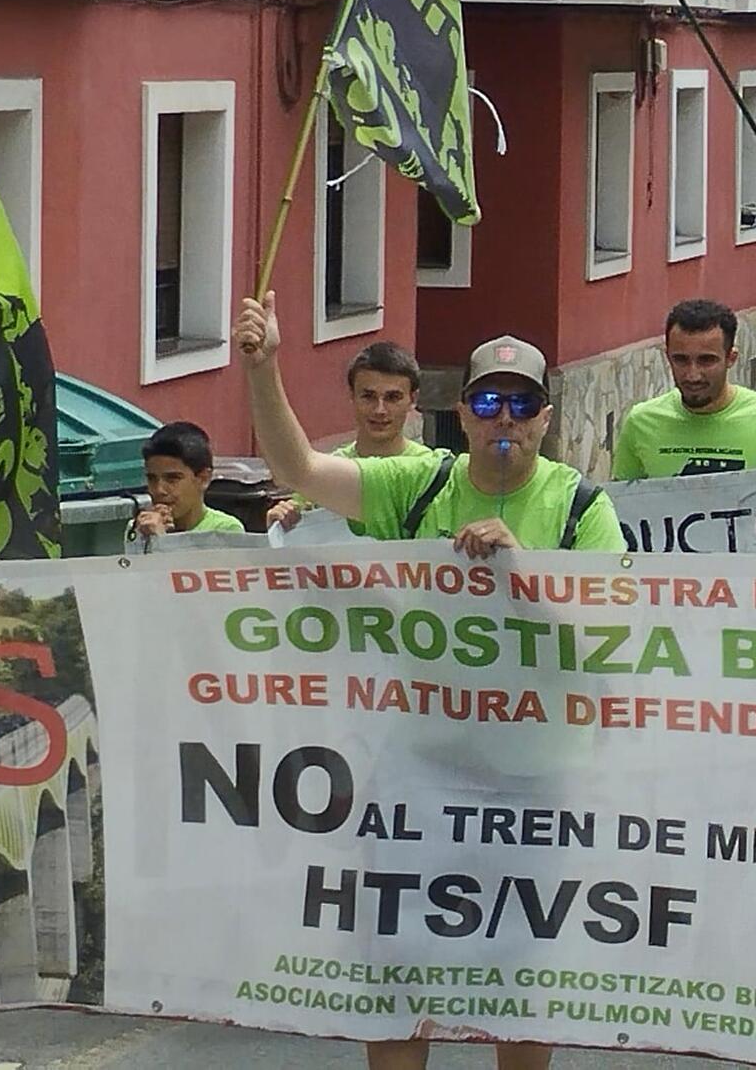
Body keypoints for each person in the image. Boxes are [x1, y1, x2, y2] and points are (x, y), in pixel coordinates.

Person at [237, 295, 622, 1070]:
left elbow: (606, 648)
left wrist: (523, 575)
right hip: (419, 774)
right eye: (488, 401)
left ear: (545, 417)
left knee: (521, 980)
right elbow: (299, 470)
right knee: (398, 973)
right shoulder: (417, 485)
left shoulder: (583, 507)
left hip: (534, 782)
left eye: (521, 403)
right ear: (462, 414)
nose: (503, 418)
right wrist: (263, 365)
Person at [612, 299, 756, 481]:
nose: (692, 374)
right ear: (667, 356)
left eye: (706, 360)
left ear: (731, 358)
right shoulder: (640, 422)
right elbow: (619, 511)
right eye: (681, 360)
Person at [266, 340, 438, 532]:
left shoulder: (432, 472)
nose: (380, 410)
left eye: (392, 398)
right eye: (368, 396)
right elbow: (296, 530)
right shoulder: (326, 471)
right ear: (352, 396)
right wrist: (281, 523)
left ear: (412, 400)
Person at [133, 421, 247, 538]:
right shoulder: (141, 527)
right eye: (152, 479)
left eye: (172, 479)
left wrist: (161, 540)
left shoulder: (225, 529)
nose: (159, 490)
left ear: (203, 479)